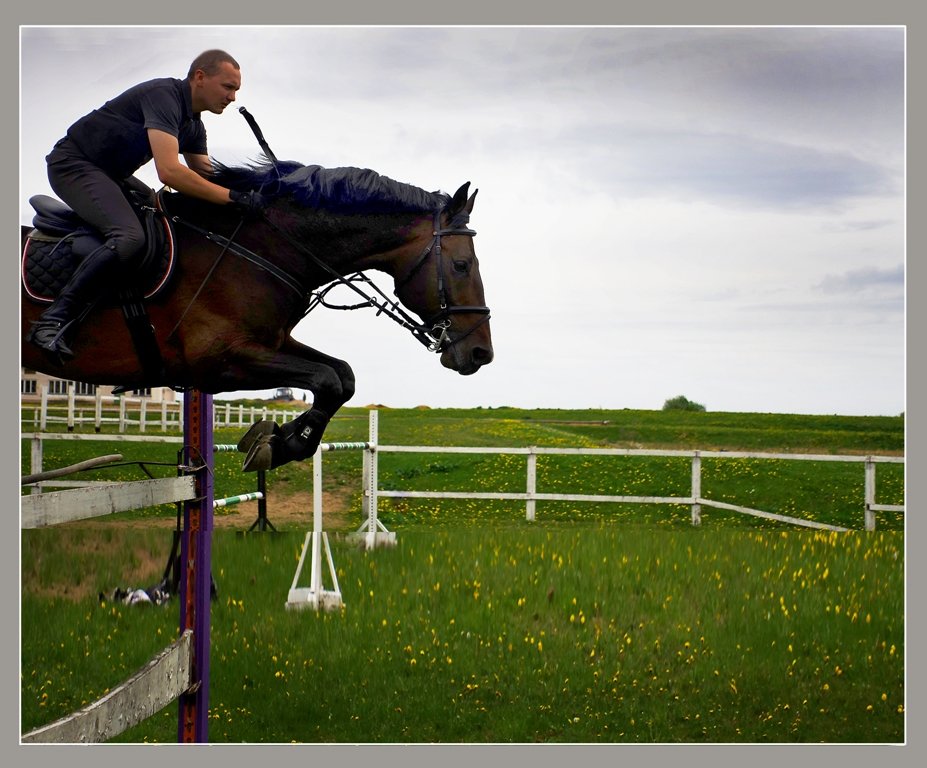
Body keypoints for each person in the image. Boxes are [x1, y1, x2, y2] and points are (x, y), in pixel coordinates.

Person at [27, 49, 264, 359]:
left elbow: (205, 175)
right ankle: (52, 319)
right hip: (73, 165)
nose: (232, 97)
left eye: (236, 90)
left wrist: (258, 190)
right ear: (200, 77)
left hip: (111, 174)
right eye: (228, 87)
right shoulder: (163, 95)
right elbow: (169, 171)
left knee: (164, 211)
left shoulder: (193, 125)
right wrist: (234, 198)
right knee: (129, 237)